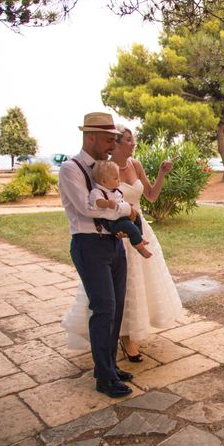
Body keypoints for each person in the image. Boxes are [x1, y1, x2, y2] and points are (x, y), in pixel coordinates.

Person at [62, 127, 183, 363]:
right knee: (118, 290)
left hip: (140, 228)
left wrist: (161, 173)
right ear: (115, 144)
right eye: (128, 140)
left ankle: (128, 334)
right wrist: (123, 214)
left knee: (140, 285)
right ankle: (122, 338)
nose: (133, 144)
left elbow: (151, 196)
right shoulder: (103, 168)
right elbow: (92, 203)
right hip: (117, 231)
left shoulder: (135, 165)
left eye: (133, 139)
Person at [58, 112, 135, 398]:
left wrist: (120, 206)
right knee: (103, 309)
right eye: (108, 140)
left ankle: (109, 366)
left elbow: (118, 196)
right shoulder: (71, 168)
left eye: (114, 140)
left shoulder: (107, 167)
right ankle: (104, 378)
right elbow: (86, 208)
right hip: (88, 245)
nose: (112, 145)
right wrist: (125, 210)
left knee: (115, 309)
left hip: (114, 244)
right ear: (90, 136)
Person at [89, 160, 152, 258]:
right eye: (116, 178)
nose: (119, 180)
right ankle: (140, 247)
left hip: (121, 216)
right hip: (112, 222)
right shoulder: (98, 191)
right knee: (131, 227)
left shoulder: (114, 191)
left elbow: (120, 201)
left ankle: (139, 237)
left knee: (137, 218)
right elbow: (97, 201)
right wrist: (106, 203)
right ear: (103, 181)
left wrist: (127, 204)